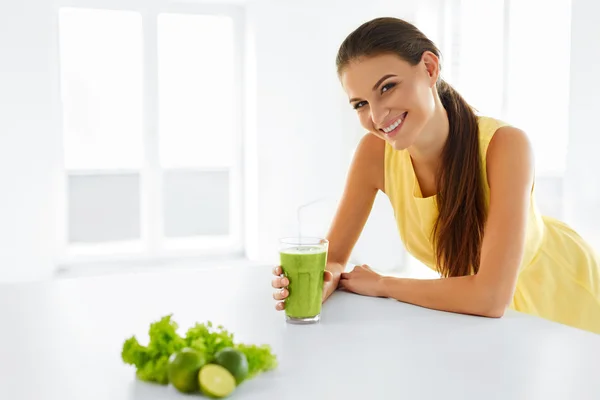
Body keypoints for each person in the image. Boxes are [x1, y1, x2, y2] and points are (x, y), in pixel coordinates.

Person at [271, 17, 600, 334]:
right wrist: (320, 282)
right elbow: (335, 259)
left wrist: (384, 284)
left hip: (563, 301)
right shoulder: (374, 154)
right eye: (360, 104)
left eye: (387, 87)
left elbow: (489, 297)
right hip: (477, 319)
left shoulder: (505, 146)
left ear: (429, 68)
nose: (376, 115)